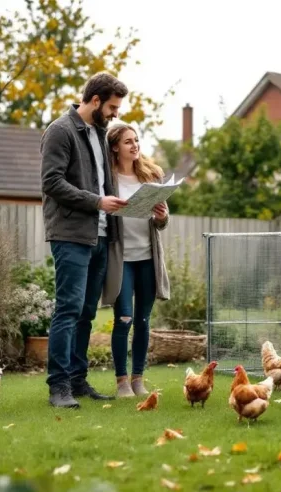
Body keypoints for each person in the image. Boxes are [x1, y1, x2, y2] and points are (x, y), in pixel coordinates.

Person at [40, 72, 129, 408]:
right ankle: (58, 386)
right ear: (94, 101)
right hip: (71, 235)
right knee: (68, 309)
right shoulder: (60, 131)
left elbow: (105, 182)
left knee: (86, 313)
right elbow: (51, 182)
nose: (115, 114)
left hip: (101, 236)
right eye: (112, 107)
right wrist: (96, 202)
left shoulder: (99, 132)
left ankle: (77, 381)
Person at [101, 122, 170, 398]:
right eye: (128, 141)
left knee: (142, 320)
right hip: (122, 260)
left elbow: (162, 222)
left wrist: (162, 217)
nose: (135, 145)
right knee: (124, 319)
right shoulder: (108, 179)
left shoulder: (151, 176)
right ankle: (121, 383)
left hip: (147, 258)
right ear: (115, 147)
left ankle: (138, 379)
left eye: (137, 140)